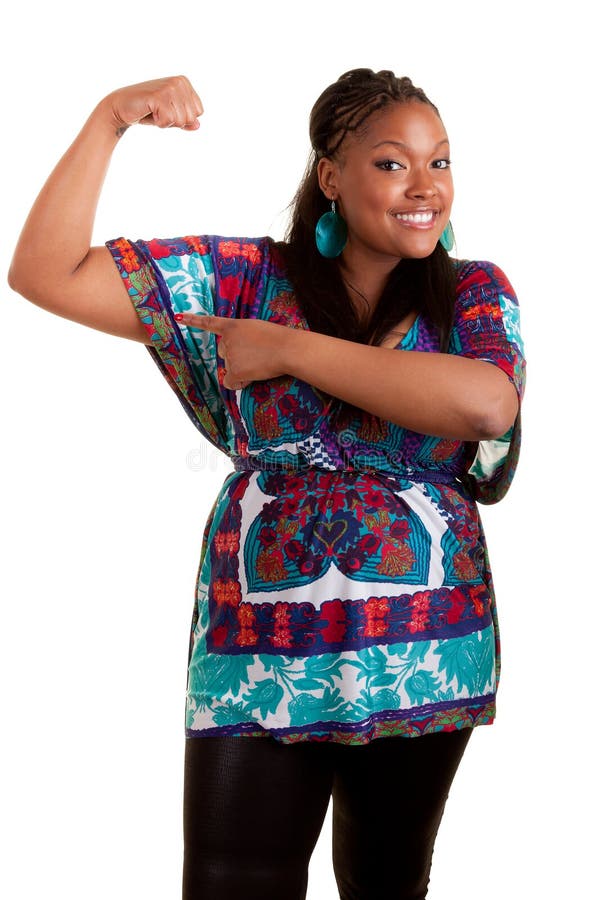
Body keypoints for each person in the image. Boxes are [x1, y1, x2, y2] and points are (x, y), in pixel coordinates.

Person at [8, 69, 526, 899]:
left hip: (422, 646)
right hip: (256, 644)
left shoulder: (471, 291)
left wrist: (288, 351)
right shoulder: (247, 279)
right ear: (331, 176)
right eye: (393, 164)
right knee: (231, 878)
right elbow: (45, 273)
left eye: (441, 161)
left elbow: (485, 402)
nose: (425, 186)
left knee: (385, 880)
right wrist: (109, 119)